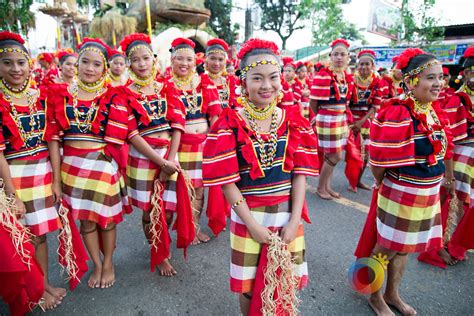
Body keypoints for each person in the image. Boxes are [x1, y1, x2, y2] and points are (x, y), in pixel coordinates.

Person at [203, 38, 319, 316]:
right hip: (248, 217)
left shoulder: (292, 119)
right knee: (249, 284)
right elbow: (227, 182)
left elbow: (299, 175)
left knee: (284, 278)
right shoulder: (230, 122)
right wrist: (252, 225)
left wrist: (294, 220)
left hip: (286, 217)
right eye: (257, 78)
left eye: (273, 77)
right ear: (242, 82)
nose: (266, 86)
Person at [358, 48, 454, 315]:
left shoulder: (433, 111)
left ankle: (392, 294)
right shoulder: (398, 112)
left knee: (404, 249)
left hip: (427, 191)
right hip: (401, 191)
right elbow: (378, 161)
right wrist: (384, 186)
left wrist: (446, 179)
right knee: (387, 247)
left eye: (440, 77)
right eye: (430, 78)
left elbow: (443, 149)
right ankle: (374, 296)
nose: (438, 84)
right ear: (411, 81)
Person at [47, 38, 130, 289]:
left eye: (96, 64)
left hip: (102, 165)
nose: (89, 68)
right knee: (85, 221)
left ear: (105, 68)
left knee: (105, 220)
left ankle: (108, 264)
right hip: (71, 166)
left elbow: (120, 136)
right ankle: (96, 263)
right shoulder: (60, 94)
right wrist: (56, 180)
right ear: (76, 63)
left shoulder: (114, 94)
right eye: (84, 62)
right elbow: (53, 138)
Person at [0, 31, 64, 309]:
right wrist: (11, 194)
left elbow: (52, 139)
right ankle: (31, 294)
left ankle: (44, 285)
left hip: (41, 173)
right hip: (11, 176)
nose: (15, 69)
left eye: (21, 62)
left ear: (30, 64)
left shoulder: (43, 96)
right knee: (20, 237)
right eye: (7, 63)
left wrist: (57, 180)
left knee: (40, 234)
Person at [118, 33, 185, 276]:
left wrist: (170, 159)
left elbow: (177, 125)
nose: (142, 63)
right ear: (129, 64)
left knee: (167, 209)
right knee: (149, 209)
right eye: (136, 60)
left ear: (154, 59)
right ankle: (158, 253)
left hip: (170, 153)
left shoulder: (168, 88)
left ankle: (161, 247)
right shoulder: (124, 94)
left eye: (146, 58)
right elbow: (132, 134)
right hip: (143, 159)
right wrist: (161, 162)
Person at [167, 37, 222, 244]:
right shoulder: (165, 86)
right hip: (179, 146)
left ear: (196, 61)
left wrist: (216, 143)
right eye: (179, 59)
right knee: (183, 189)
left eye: (189, 59)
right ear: (172, 60)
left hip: (203, 145)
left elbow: (215, 116)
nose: (184, 63)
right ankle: (184, 227)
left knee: (199, 190)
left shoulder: (205, 84)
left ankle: (194, 227)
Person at [309, 38, 355, 200]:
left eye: (343, 54)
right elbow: (313, 101)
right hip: (327, 118)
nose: (339, 57)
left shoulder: (344, 75)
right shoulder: (323, 75)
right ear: (330, 56)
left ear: (348, 57)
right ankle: (320, 187)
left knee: (331, 155)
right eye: (336, 54)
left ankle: (327, 187)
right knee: (335, 156)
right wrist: (316, 118)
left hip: (341, 118)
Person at [348, 49, 384, 191]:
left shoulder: (377, 82)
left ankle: (357, 180)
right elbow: (345, 103)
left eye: (367, 64)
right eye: (361, 64)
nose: (363, 67)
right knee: (350, 152)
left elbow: (375, 106)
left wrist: (361, 122)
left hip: (366, 121)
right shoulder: (351, 80)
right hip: (349, 119)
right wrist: (352, 122)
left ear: (372, 66)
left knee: (365, 154)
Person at [205, 38, 240, 110]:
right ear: (206, 59)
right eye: (212, 58)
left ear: (225, 61)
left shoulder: (230, 82)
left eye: (220, 59)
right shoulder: (199, 82)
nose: (216, 63)